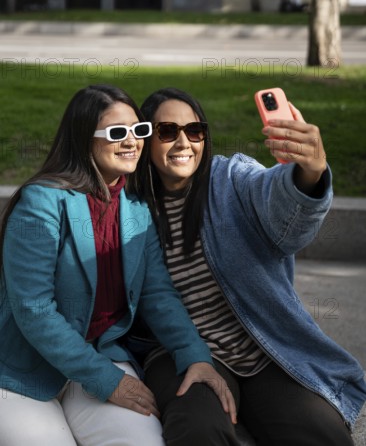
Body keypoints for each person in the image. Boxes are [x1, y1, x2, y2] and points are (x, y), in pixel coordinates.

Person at [0, 84, 236, 446]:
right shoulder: (41, 203)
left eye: (139, 130)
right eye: (116, 132)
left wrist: (195, 356)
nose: (131, 141)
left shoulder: (137, 208)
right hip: (23, 371)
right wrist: (108, 380)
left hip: (99, 357)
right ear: (84, 139)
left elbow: (158, 294)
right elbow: (35, 310)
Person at [129, 87, 366, 446]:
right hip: (178, 351)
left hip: (260, 346)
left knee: (322, 435)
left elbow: (277, 201)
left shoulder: (230, 179)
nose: (183, 143)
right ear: (146, 139)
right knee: (198, 429)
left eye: (194, 131)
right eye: (166, 132)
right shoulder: (131, 209)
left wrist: (309, 171)